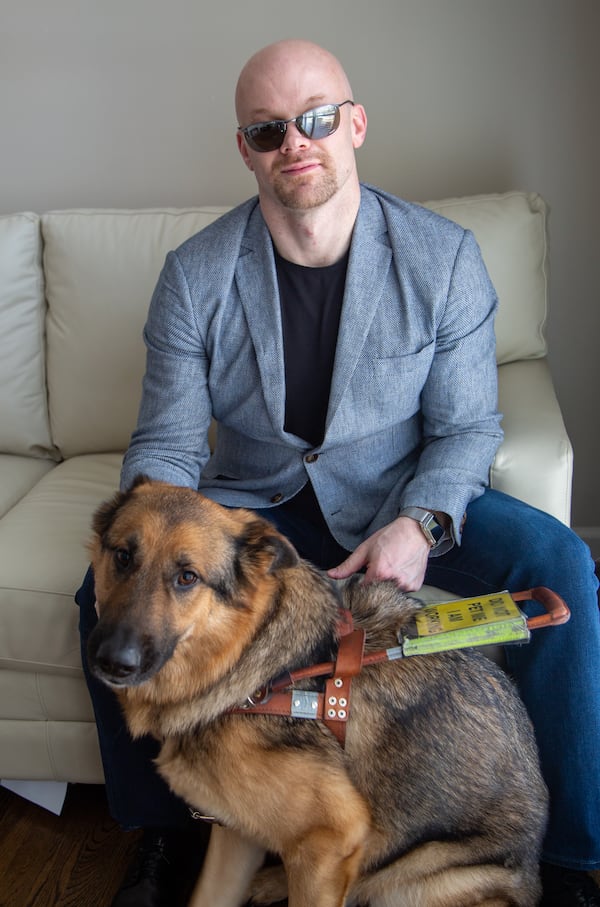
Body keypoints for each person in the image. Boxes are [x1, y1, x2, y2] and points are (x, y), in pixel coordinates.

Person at [77, 38, 600, 907]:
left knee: (563, 571)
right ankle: (164, 839)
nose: (297, 142)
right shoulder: (195, 276)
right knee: (95, 595)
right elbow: (166, 446)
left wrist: (422, 523)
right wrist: (146, 528)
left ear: (354, 123)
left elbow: (468, 427)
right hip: (252, 517)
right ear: (245, 147)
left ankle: (576, 864)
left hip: (397, 497)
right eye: (269, 128)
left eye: (317, 118)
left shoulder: (444, 256)